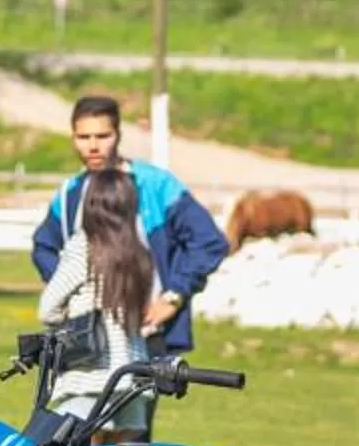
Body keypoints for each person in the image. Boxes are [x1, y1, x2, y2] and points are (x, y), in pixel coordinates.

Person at [29, 94, 227, 358]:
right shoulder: (69, 194)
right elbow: (43, 247)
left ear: (118, 135)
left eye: (102, 136)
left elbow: (209, 241)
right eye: (84, 137)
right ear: (73, 137)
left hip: (148, 336)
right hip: (87, 341)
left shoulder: (155, 184)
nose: (93, 146)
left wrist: (174, 296)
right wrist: (65, 292)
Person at [37, 164, 158, 436]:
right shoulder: (139, 254)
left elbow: (47, 309)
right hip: (133, 373)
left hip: (91, 374)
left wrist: (70, 317)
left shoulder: (85, 248)